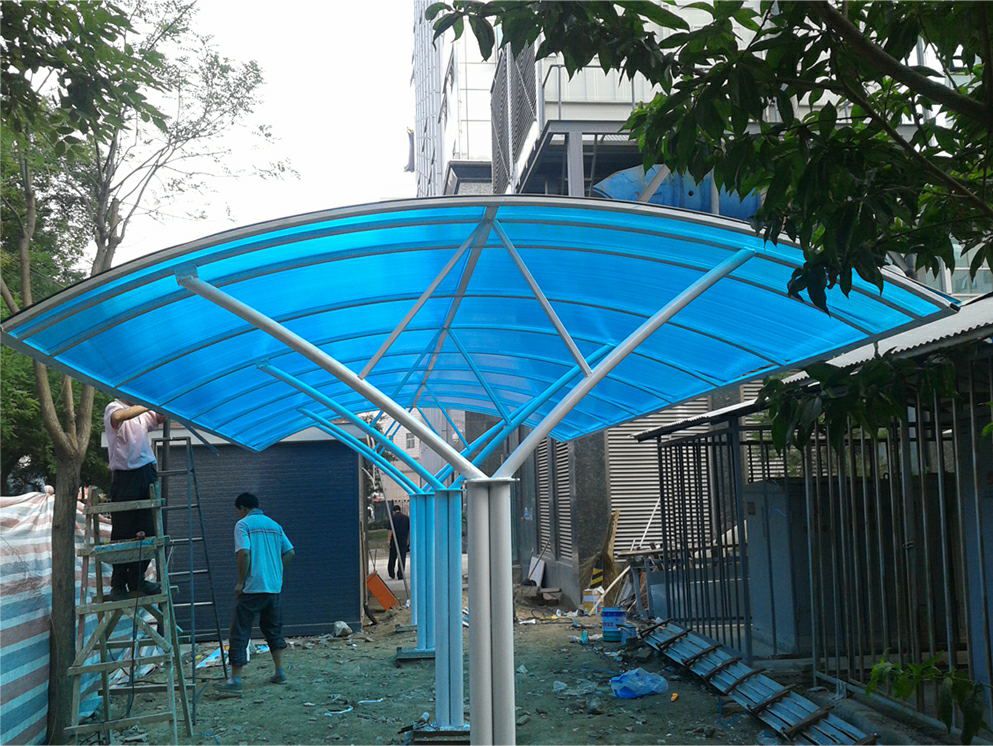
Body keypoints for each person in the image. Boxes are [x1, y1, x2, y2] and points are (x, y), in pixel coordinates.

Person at [219, 492, 295, 695]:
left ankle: (235, 678)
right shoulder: (274, 525)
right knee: (273, 629)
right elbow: (290, 552)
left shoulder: (243, 525)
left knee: (240, 630)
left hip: (252, 587)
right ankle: (279, 671)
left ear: (243, 508)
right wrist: (276, 569)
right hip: (273, 587)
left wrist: (241, 581)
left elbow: (244, 553)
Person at [103, 399, 165, 601]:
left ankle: (137, 578)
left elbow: (159, 417)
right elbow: (119, 417)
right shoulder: (114, 407)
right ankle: (118, 583)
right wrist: (149, 402)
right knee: (123, 531)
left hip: (146, 471)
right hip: (125, 476)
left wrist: (165, 403)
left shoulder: (141, 413)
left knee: (149, 529)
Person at [387, 504, 410, 580]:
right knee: (402, 558)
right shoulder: (406, 518)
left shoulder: (392, 518)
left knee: (392, 557)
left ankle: (391, 573)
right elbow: (409, 530)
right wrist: (408, 541)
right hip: (403, 540)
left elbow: (390, 530)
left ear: (393, 511)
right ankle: (400, 574)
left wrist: (388, 540)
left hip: (394, 540)